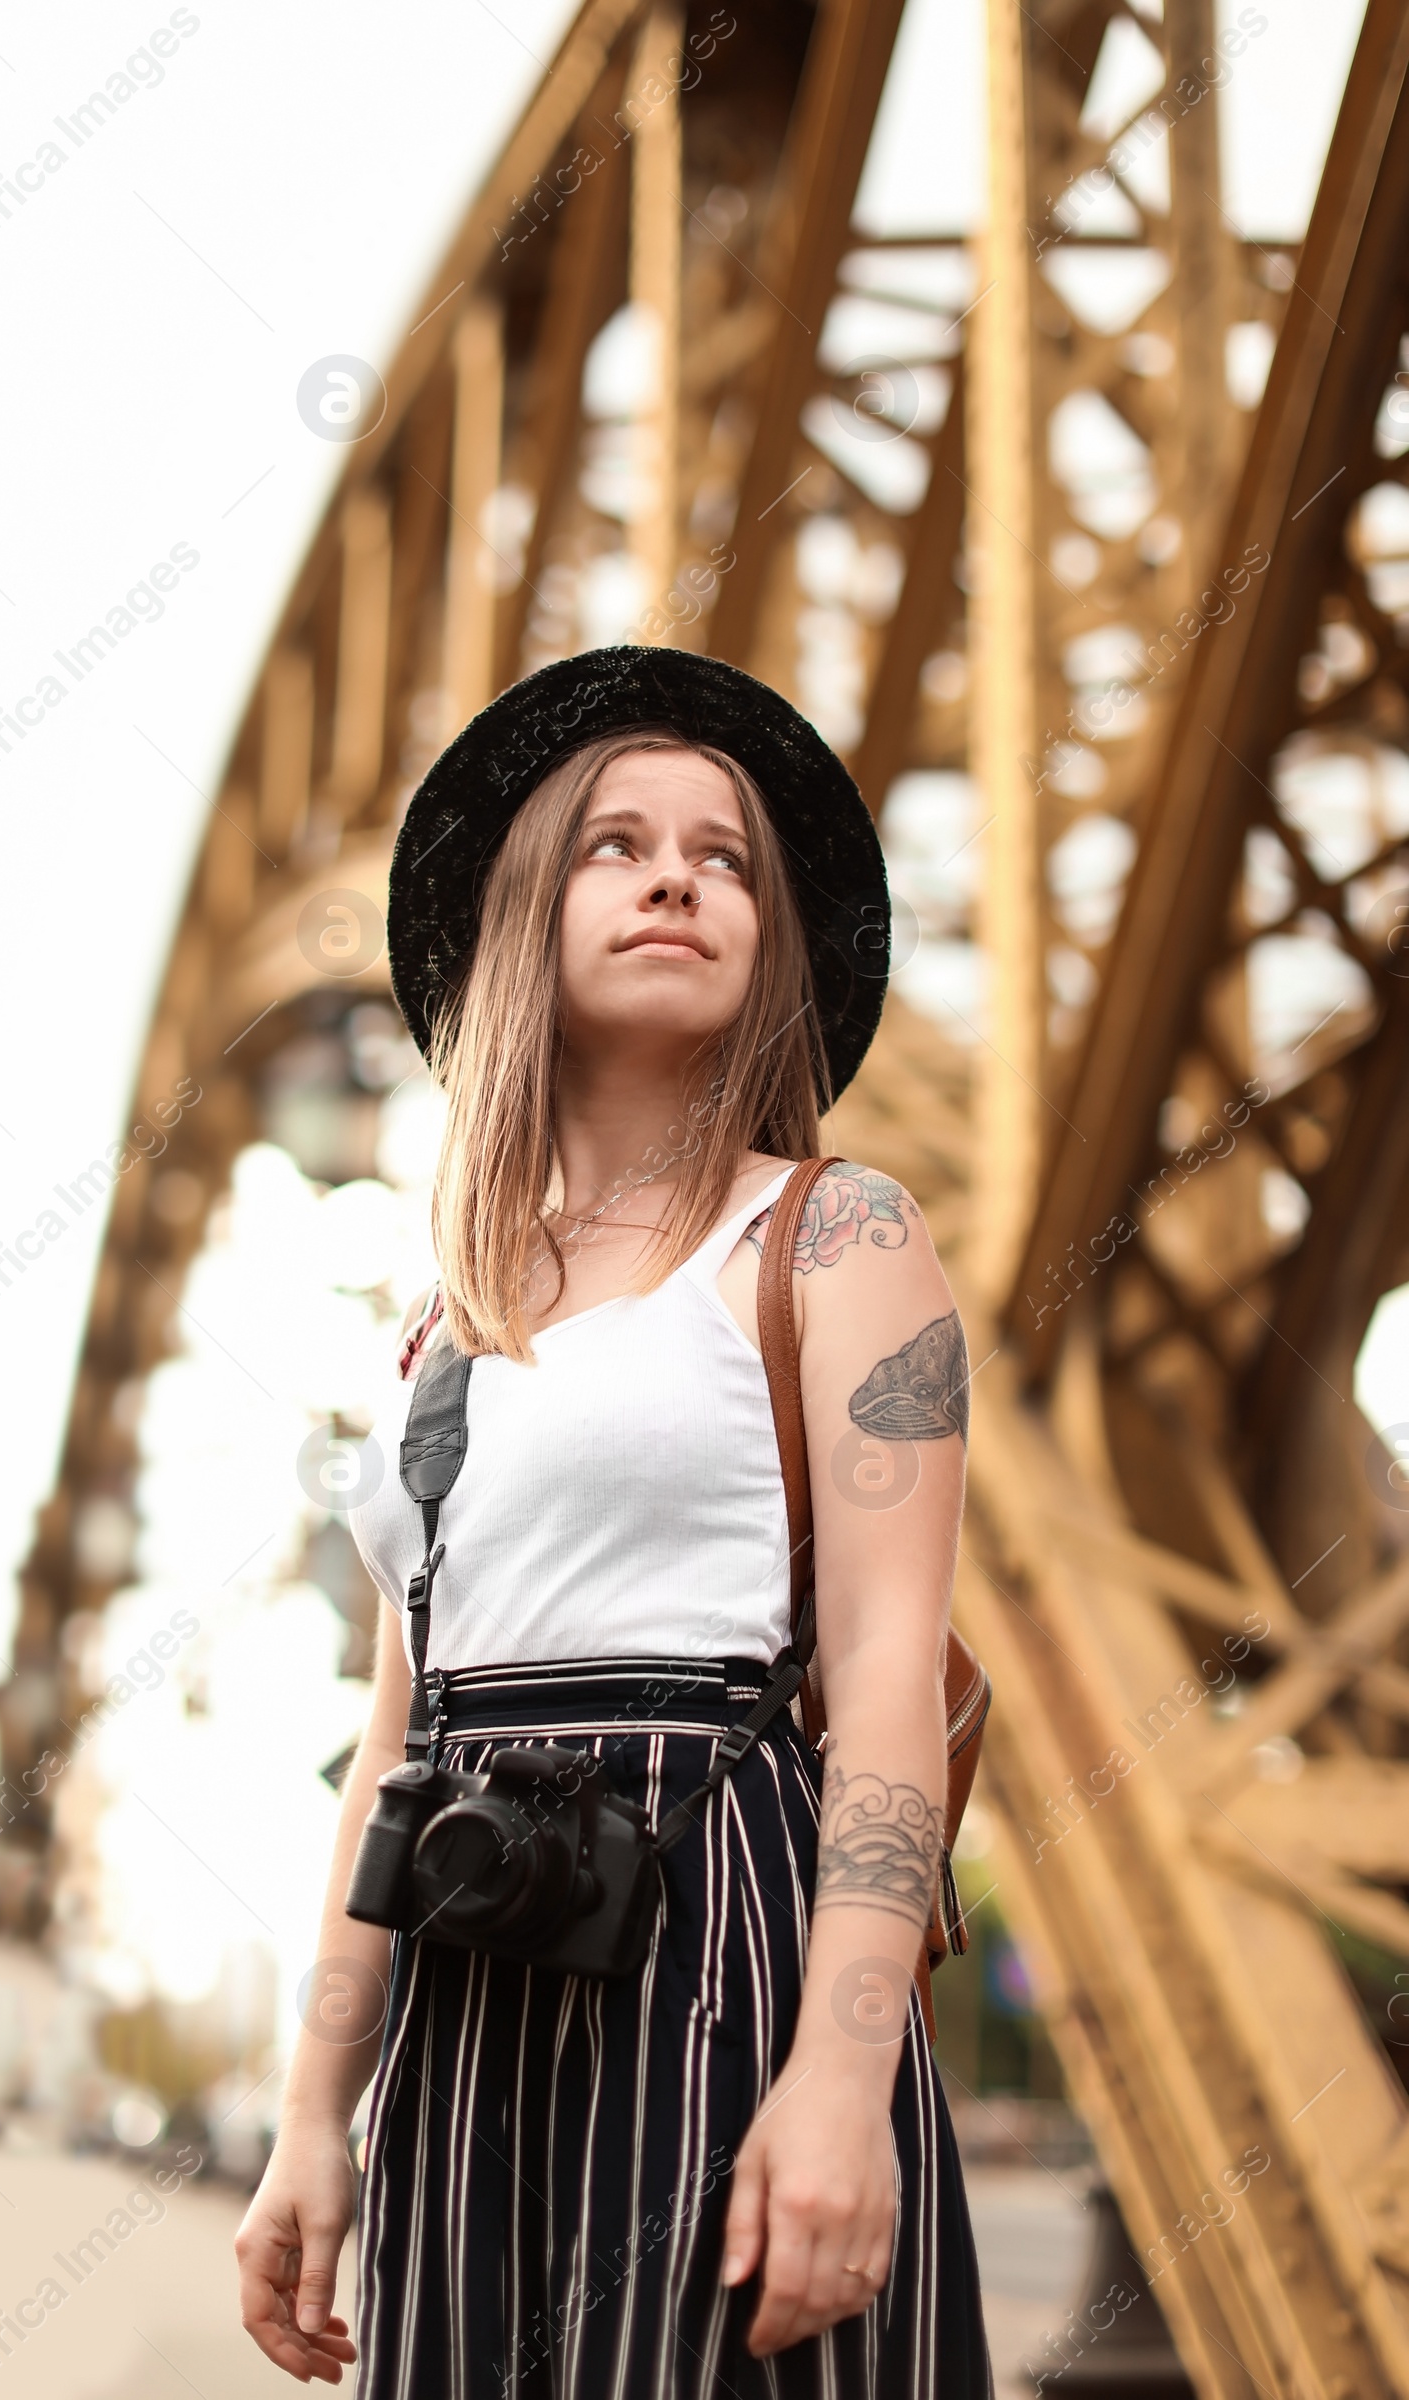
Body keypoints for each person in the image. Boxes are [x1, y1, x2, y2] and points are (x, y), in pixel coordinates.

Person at [234, 648, 992, 2397]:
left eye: (725, 857)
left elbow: (886, 1685)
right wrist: (311, 2121)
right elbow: (392, 1758)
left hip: (727, 1963)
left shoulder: (837, 1237)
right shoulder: (444, 1331)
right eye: (618, 845)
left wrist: (841, 2077)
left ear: (769, 935)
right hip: (470, 1999)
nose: (678, 876)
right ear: (524, 922)